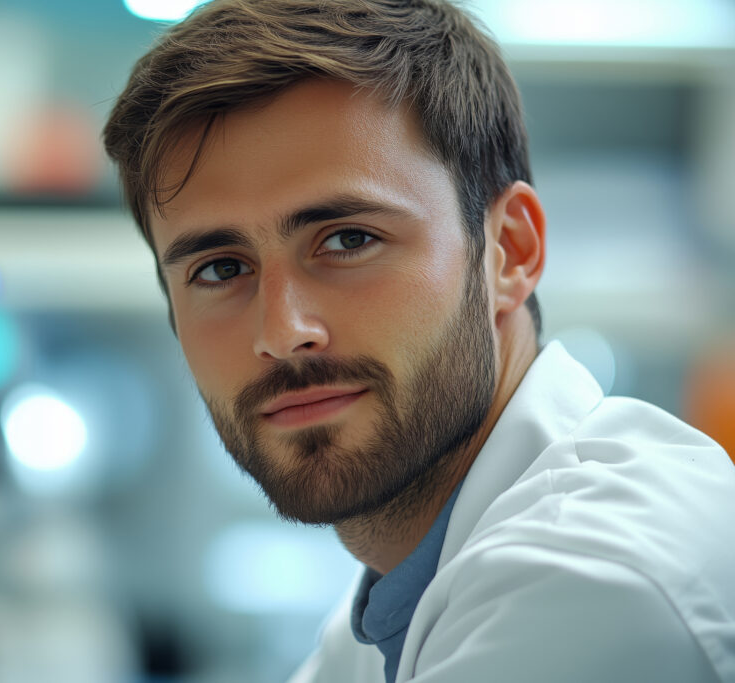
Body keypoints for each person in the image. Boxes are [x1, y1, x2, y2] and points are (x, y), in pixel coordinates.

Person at [101, 1, 735, 681]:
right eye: (221, 269)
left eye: (348, 240)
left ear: (510, 251)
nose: (283, 333)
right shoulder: (399, 590)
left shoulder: (596, 578)